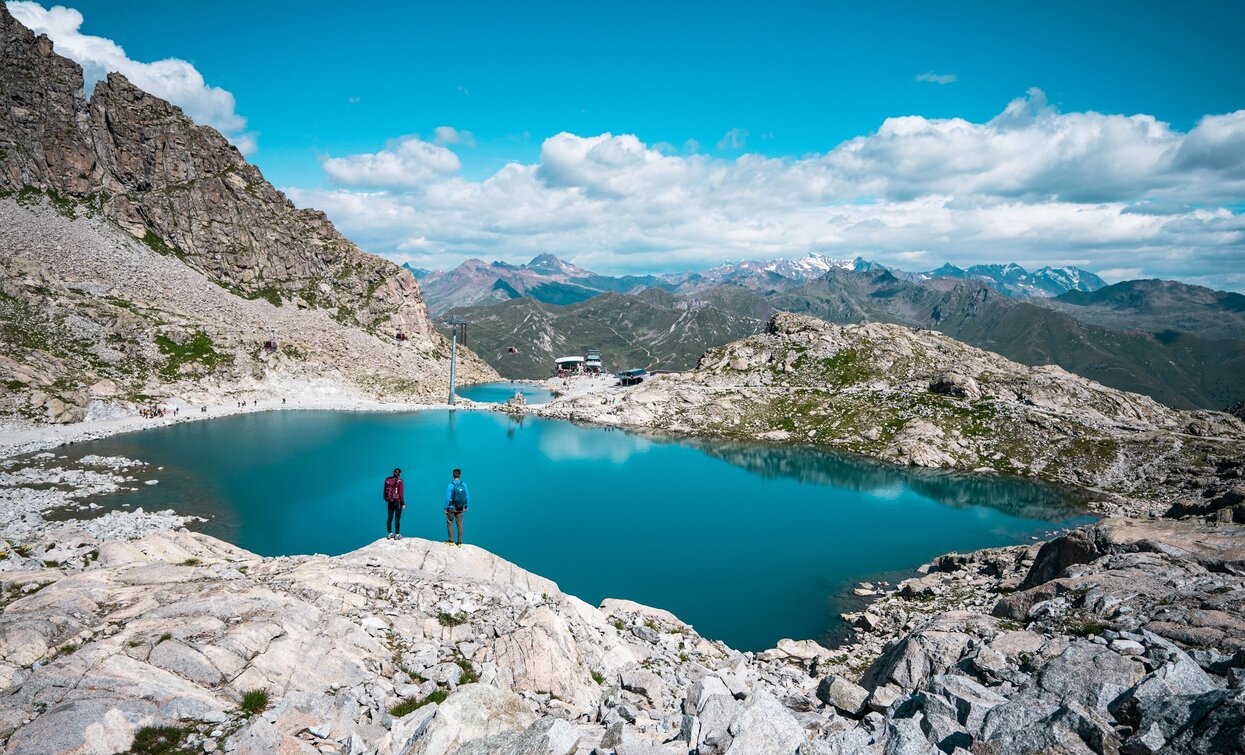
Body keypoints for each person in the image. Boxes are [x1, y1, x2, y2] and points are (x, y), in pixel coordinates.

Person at [444, 468, 469, 545]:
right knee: (460, 524)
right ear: (460, 475)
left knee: (450, 522)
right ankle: (459, 542)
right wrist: (466, 505)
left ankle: (451, 541)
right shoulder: (464, 484)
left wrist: (445, 507)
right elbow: (467, 496)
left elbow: (448, 498)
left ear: (452, 475)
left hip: (452, 507)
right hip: (461, 507)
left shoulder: (450, 485)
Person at [383, 468, 405, 540]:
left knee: (389, 517)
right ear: (400, 474)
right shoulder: (400, 481)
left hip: (390, 501)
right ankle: (397, 535)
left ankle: (390, 534)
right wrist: (403, 504)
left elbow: (385, 490)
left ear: (393, 473)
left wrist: (386, 498)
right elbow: (401, 494)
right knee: (397, 519)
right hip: (397, 502)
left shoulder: (388, 480)